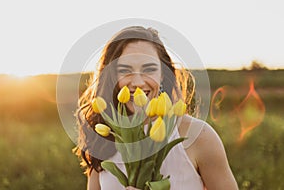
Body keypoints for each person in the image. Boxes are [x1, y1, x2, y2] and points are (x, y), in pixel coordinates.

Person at [74, 26, 238, 190]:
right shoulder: (104, 139)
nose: (138, 82)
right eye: (125, 70)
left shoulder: (199, 136)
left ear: (163, 75)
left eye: (149, 69)